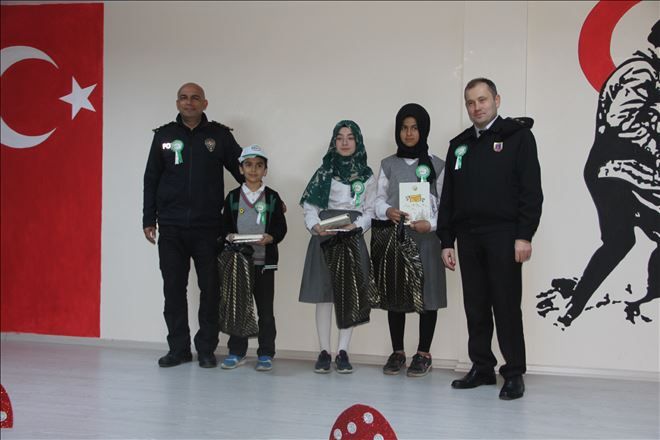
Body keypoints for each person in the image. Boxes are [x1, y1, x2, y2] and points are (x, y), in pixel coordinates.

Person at [438, 78, 543, 399]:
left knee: (506, 306)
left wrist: (524, 235)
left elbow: (531, 191)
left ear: (496, 100)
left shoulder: (518, 137)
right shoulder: (459, 145)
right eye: (470, 103)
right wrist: (446, 240)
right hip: (468, 237)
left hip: (504, 235)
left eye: (482, 100)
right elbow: (449, 197)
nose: (476, 107)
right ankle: (482, 367)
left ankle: (514, 373)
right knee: (476, 306)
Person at [142, 82, 243, 368]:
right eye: (184, 98)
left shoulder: (220, 136)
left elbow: (244, 172)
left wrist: (267, 198)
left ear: (204, 103)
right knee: (174, 290)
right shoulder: (163, 136)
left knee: (210, 291)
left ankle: (206, 349)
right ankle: (178, 349)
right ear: (177, 103)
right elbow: (151, 178)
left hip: (208, 227)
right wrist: (149, 219)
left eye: (195, 98)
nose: (189, 103)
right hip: (171, 227)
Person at [374, 103, 447, 378]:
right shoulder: (388, 164)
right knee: (396, 295)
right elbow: (377, 201)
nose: (409, 133)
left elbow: (446, 207)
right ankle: (398, 352)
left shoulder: (437, 165)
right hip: (396, 238)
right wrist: (387, 211)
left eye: (415, 128)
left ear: (423, 130)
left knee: (428, 297)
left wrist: (432, 224)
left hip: (427, 240)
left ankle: (423, 353)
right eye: (404, 128)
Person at [299, 120, 377, 374]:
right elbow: (310, 207)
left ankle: (343, 351)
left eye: (350, 137)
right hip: (325, 237)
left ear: (358, 142)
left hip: (351, 237)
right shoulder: (323, 173)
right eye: (340, 137)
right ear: (334, 142)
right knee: (324, 296)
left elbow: (370, 210)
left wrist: (357, 226)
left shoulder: (367, 176)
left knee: (349, 294)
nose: (345, 142)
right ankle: (324, 351)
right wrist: (315, 226)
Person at [219, 145, 287, 371]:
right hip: (239, 264)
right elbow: (224, 226)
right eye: (248, 165)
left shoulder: (272, 197)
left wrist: (271, 237)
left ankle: (266, 353)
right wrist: (229, 236)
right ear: (240, 169)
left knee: (265, 311)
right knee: (238, 308)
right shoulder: (232, 197)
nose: (253, 170)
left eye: (259, 165)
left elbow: (281, 227)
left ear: (265, 170)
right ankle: (236, 351)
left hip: (264, 264)